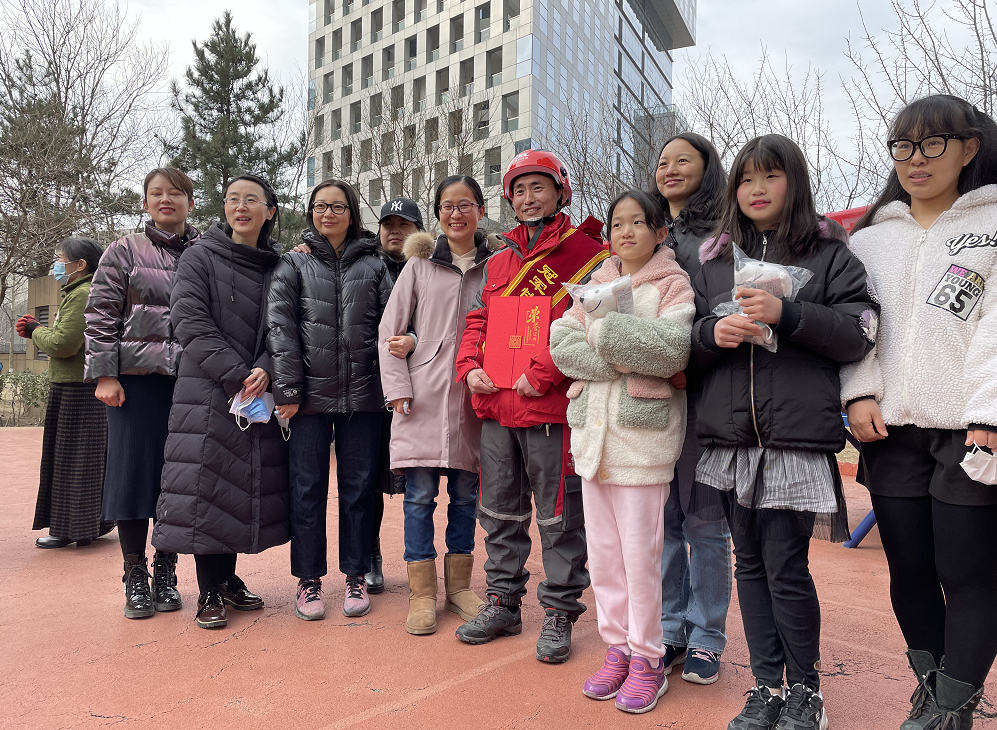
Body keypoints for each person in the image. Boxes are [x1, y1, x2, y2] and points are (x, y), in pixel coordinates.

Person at [693, 134, 878, 730]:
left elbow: (860, 331)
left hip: (793, 440)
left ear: (794, 182)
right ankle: (766, 687)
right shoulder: (713, 259)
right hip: (730, 442)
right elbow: (685, 339)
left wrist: (788, 314)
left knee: (786, 567)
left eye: (770, 176)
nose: (756, 189)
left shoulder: (830, 255)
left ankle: (806, 691)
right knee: (748, 564)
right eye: (746, 179)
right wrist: (710, 336)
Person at [842, 94, 997, 730]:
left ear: (969, 148)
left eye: (934, 143)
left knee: (966, 572)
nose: (916, 158)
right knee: (908, 568)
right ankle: (933, 692)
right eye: (904, 146)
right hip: (890, 430)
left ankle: (952, 705)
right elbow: (854, 325)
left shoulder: (993, 226)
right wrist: (857, 391)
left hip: (969, 429)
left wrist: (990, 413)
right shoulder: (868, 241)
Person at [454, 150, 608, 663]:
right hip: (497, 406)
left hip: (549, 408)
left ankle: (560, 610)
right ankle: (503, 602)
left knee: (560, 516)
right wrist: (468, 367)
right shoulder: (498, 261)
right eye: (518, 190)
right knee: (499, 511)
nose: (528, 198)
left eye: (538, 187)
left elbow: (589, 326)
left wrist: (542, 373)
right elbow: (477, 321)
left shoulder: (589, 254)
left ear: (561, 191)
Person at [550, 190, 695, 713]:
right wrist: (624, 352)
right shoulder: (593, 283)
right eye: (617, 224)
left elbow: (671, 349)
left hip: (642, 442)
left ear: (660, 231)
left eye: (638, 222)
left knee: (641, 559)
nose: (625, 232)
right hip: (594, 440)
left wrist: (605, 332)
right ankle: (617, 649)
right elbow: (561, 345)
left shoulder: (673, 284)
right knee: (606, 558)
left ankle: (649, 657)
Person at [152, 173, 289, 630]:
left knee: (240, 487)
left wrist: (266, 367)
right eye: (233, 199)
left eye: (251, 199)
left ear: (270, 211)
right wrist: (237, 374)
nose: (241, 207)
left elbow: (286, 325)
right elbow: (189, 320)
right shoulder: (200, 256)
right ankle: (208, 589)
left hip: (256, 392)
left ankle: (228, 579)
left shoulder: (279, 265)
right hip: (208, 392)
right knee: (205, 487)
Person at [378, 176, 500, 635]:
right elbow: (389, 332)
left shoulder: (498, 265)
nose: (456, 214)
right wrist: (397, 387)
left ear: (481, 210)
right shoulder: (419, 265)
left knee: (466, 496)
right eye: (447, 206)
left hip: (475, 395)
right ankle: (422, 593)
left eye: (465, 204)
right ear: (438, 215)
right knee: (419, 497)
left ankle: (460, 588)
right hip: (422, 397)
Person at [268, 180, 392, 621]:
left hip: (364, 396)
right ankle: (309, 580)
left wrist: (389, 385)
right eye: (320, 206)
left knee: (358, 489)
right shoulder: (293, 264)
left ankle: (355, 574)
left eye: (338, 207)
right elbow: (280, 329)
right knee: (307, 489)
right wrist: (287, 390)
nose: (328, 214)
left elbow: (391, 325)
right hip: (308, 399)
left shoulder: (375, 266)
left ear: (352, 213)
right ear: (311, 213)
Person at [85, 167, 199, 619]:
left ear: (190, 201)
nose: (165, 199)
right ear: (146, 202)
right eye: (156, 193)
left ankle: (166, 568)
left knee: (176, 479)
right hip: (134, 382)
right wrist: (104, 375)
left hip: (189, 384)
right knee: (132, 476)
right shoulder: (125, 249)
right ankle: (135, 571)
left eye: (175, 192)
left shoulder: (205, 251)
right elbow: (100, 313)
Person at [652, 133, 734, 684]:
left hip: (703, 395)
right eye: (663, 162)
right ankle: (669, 627)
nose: (671, 169)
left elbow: (721, 314)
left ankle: (706, 635)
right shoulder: (650, 231)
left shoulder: (722, 236)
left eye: (684, 160)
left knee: (705, 523)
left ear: (708, 169)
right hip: (654, 400)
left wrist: (688, 359)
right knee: (663, 522)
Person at [24, 237, 111, 548]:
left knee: (70, 462)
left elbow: (63, 344)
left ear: (80, 265)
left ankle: (68, 529)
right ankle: (87, 526)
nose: (57, 265)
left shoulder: (81, 294)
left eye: (61, 259)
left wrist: (35, 330)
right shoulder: (88, 291)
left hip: (76, 389)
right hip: (83, 387)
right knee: (85, 461)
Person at [366, 197, 424, 595]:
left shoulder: (431, 266)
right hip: (370, 389)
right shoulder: (364, 263)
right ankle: (370, 554)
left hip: (419, 388)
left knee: (418, 479)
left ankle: (420, 560)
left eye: (405, 225)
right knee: (369, 479)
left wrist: (415, 339)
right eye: (389, 224)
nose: (396, 231)